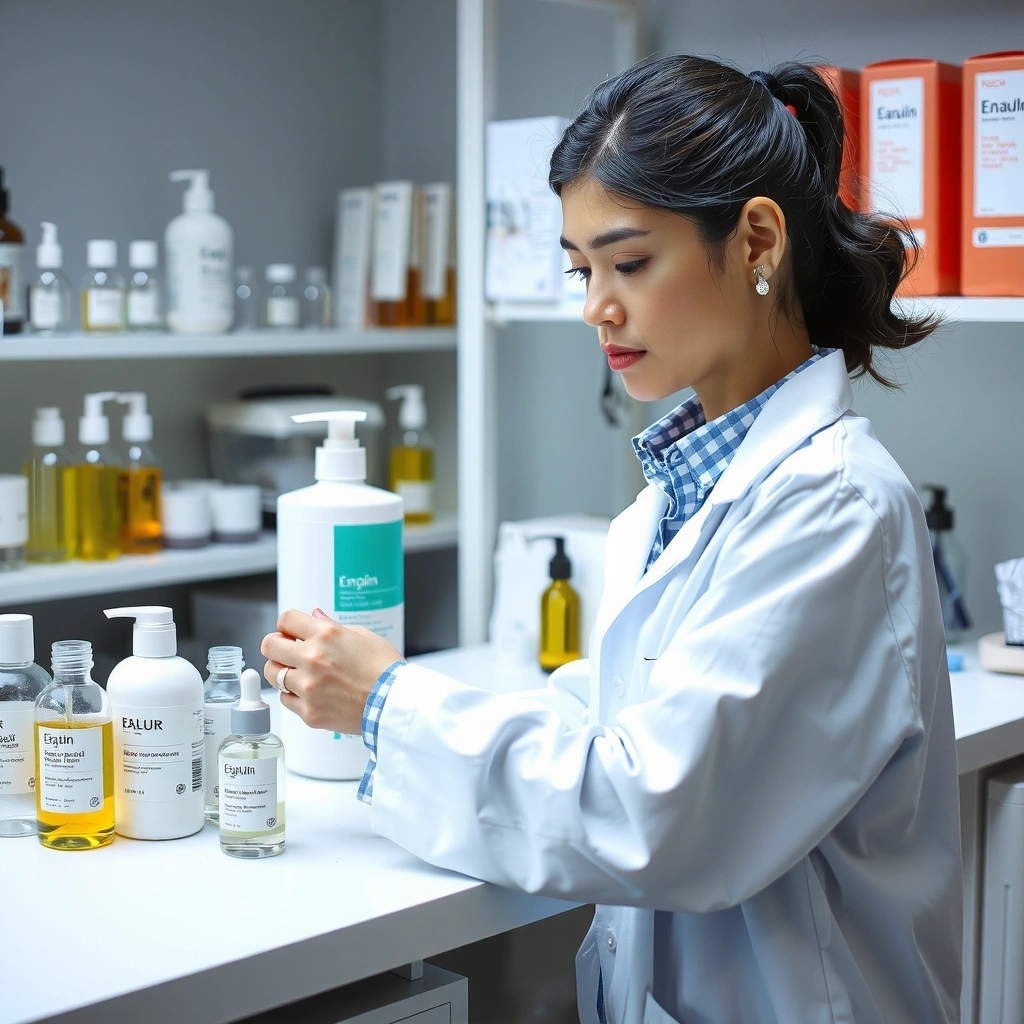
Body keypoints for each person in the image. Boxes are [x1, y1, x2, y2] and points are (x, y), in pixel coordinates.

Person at [261, 55, 962, 1024]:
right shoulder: (666, 499)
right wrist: (389, 709)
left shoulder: (834, 506)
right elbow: (605, 731)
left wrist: (386, 702)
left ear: (756, 239)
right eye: (580, 268)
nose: (593, 304)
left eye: (628, 262)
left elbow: (656, 815)